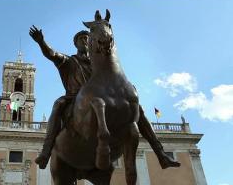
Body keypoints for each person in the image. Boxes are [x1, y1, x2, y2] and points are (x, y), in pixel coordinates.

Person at [28, 25, 180, 170]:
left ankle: (161, 154)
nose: (85, 41)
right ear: (76, 44)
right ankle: (46, 152)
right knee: (58, 104)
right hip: (75, 99)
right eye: (81, 39)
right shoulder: (69, 61)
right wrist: (41, 41)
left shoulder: (100, 65)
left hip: (103, 99)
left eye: (87, 38)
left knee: (137, 107)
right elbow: (51, 54)